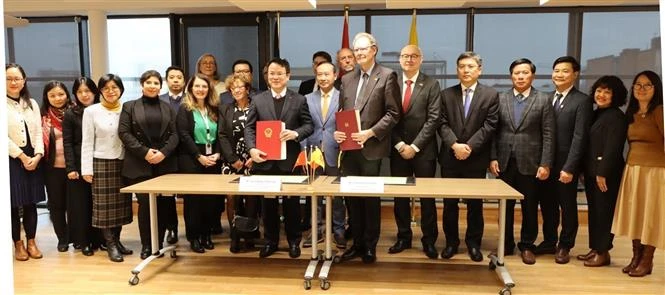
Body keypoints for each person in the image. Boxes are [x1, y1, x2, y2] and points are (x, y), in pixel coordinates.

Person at [335, 32, 401, 264]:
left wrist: (370, 132)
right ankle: (357, 244)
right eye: (356, 49)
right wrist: (338, 131)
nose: (359, 53)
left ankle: (370, 246)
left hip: (372, 147)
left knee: (370, 199)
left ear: (374, 49)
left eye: (364, 49)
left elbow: (394, 113)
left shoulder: (387, 76)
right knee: (352, 199)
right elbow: (343, 113)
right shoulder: (346, 79)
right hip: (349, 148)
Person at [245, 57, 314, 259]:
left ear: (287, 76)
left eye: (279, 74)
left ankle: (294, 242)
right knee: (268, 206)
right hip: (264, 161)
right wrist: (251, 149)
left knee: (292, 205)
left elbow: (309, 125)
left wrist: (295, 134)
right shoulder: (257, 99)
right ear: (267, 77)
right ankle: (270, 241)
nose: (275, 77)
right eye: (271, 73)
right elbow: (249, 128)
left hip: (289, 161)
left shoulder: (299, 99)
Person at [489, 58, 555, 265]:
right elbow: (493, 132)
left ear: (532, 76)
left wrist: (545, 163)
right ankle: (506, 244)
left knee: (529, 207)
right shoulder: (501, 98)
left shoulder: (543, 99)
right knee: (505, 207)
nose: (520, 76)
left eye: (525, 73)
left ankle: (527, 245)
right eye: (516, 73)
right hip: (504, 162)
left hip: (531, 163)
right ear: (511, 76)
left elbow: (548, 134)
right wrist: (492, 158)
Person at [438, 52, 499, 262]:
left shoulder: (490, 95)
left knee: (475, 205)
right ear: (457, 70)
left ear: (479, 70)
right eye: (462, 66)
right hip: (450, 157)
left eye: (470, 66)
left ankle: (473, 244)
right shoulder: (446, 94)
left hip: (476, 159)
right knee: (449, 204)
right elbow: (441, 123)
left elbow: (490, 125)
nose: (466, 70)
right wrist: (455, 145)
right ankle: (451, 243)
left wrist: (469, 147)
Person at [536, 56, 592, 264]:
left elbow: (580, 137)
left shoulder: (582, 101)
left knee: (567, 206)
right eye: (556, 70)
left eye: (565, 71)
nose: (559, 74)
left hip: (566, 165)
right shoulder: (546, 98)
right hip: (545, 163)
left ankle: (565, 244)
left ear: (575, 74)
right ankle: (549, 240)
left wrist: (569, 168)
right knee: (547, 204)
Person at [388, 45, 442, 259]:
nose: (409, 59)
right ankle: (403, 237)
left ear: (421, 59)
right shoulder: (390, 82)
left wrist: (415, 146)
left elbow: (434, 118)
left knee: (427, 198)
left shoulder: (431, 84)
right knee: (400, 197)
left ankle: (429, 240)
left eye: (413, 56)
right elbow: (386, 117)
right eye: (404, 56)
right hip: (398, 149)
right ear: (399, 59)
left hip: (424, 151)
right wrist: (400, 145)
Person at [118, 70, 179, 260]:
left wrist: (163, 153)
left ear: (161, 86)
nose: (152, 86)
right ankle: (147, 245)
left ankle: (158, 244)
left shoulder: (168, 107)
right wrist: (145, 152)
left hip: (163, 164)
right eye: (149, 82)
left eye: (156, 83)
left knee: (162, 205)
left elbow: (175, 134)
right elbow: (124, 133)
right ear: (142, 85)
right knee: (145, 207)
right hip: (139, 164)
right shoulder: (129, 106)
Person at [612, 70, 664, 277]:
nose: (641, 89)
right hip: (633, 170)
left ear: (656, 89)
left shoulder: (659, 111)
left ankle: (647, 260)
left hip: (655, 172)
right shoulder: (630, 114)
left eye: (647, 85)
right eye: (637, 85)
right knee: (636, 214)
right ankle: (635, 257)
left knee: (650, 215)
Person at [81, 73, 133, 262]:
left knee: (120, 206)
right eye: (106, 88)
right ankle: (109, 244)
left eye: (115, 87)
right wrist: (86, 169)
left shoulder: (127, 108)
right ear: (100, 91)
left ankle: (118, 240)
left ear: (121, 89)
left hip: (123, 161)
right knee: (103, 207)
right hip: (101, 162)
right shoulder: (92, 111)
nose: (111, 91)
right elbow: (87, 141)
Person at [577, 75, 628, 267]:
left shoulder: (616, 117)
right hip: (592, 172)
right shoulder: (596, 113)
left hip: (606, 174)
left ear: (616, 96)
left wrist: (602, 172)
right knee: (595, 211)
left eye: (607, 92)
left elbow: (613, 148)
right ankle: (596, 248)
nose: (602, 95)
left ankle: (603, 252)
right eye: (599, 90)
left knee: (604, 212)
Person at [301, 61, 346, 249]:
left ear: (335, 76)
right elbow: (303, 124)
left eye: (327, 74)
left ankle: (339, 230)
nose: (323, 78)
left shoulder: (343, 97)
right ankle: (317, 230)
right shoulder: (307, 98)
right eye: (320, 74)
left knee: (337, 195)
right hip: (313, 152)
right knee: (315, 194)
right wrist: (304, 150)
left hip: (336, 152)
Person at [176, 74, 223, 254]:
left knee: (210, 201)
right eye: (197, 86)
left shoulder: (214, 108)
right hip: (192, 159)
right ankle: (194, 237)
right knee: (194, 202)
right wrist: (198, 156)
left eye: (204, 86)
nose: (200, 89)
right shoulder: (185, 108)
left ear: (209, 89)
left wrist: (218, 152)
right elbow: (184, 135)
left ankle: (207, 235)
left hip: (213, 157)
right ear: (191, 88)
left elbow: (221, 133)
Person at [7, 63, 46, 261]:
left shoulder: (31, 103)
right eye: (8, 79)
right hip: (11, 159)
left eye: (17, 78)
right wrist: (22, 156)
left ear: (24, 80)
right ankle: (18, 244)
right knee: (13, 204)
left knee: (31, 202)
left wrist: (38, 155)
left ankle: (32, 241)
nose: (13, 82)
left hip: (34, 157)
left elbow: (39, 131)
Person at [219, 74, 260, 253]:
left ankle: (249, 235)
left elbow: (262, 132)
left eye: (239, 87)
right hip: (232, 161)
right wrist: (232, 159)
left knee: (251, 198)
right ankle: (235, 236)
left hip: (253, 159)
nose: (236, 90)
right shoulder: (225, 109)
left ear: (247, 89)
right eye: (232, 88)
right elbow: (222, 135)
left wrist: (253, 157)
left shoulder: (256, 106)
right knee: (232, 198)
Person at [63, 77, 101, 256]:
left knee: (98, 204)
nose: (84, 95)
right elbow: (68, 143)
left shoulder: (102, 110)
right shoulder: (71, 113)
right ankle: (84, 241)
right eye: (80, 92)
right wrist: (71, 168)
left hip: (101, 162)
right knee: (81, 204)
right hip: (78, 164)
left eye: (87, 91)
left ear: (95, 91)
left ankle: (100, 239)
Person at [40, 80, 74, 252]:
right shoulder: (43, 117)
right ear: (47, 98)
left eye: (61, 94)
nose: (57, 98)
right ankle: (62, 238)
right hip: (52, 169)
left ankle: (77, 236)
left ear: (67, 94)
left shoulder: (75, 113)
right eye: (52, 95)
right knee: (56, 205)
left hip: (74, 168)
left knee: (75, 204)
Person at [158, 65, 185, 245]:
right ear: (166, 80)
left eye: (179, 77)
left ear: (184, 81)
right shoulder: (159, 100)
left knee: (189, 196)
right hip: (166, 154)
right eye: (172, 77)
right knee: (167, 196)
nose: (175, 80)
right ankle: (171, 228)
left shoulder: (190, 100)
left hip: (186, 153)